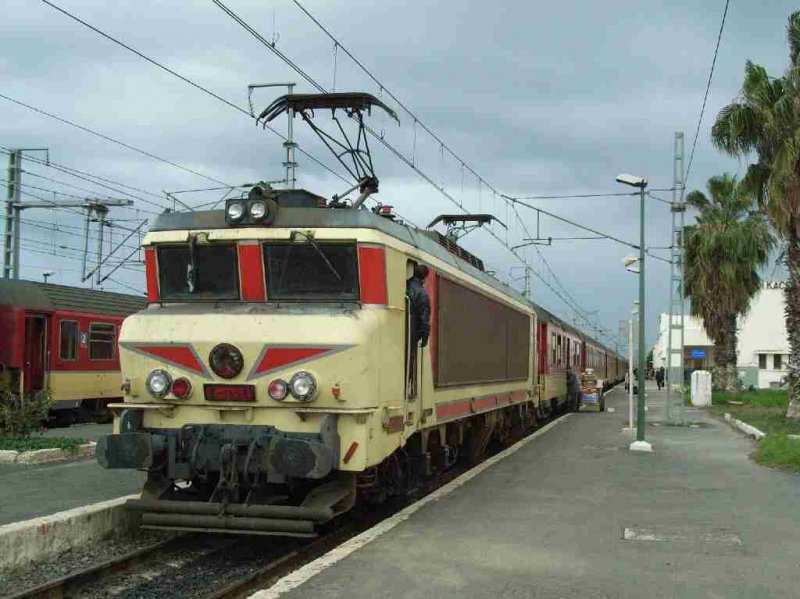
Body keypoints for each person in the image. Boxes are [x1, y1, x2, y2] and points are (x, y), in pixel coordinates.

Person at [406, 264, 430, 396]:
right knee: (410, 360)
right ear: (425, 277)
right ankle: (408, 388)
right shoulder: (422, 294)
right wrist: (424, 337)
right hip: (412, 332)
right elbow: (425, 320)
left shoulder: (404, 285)